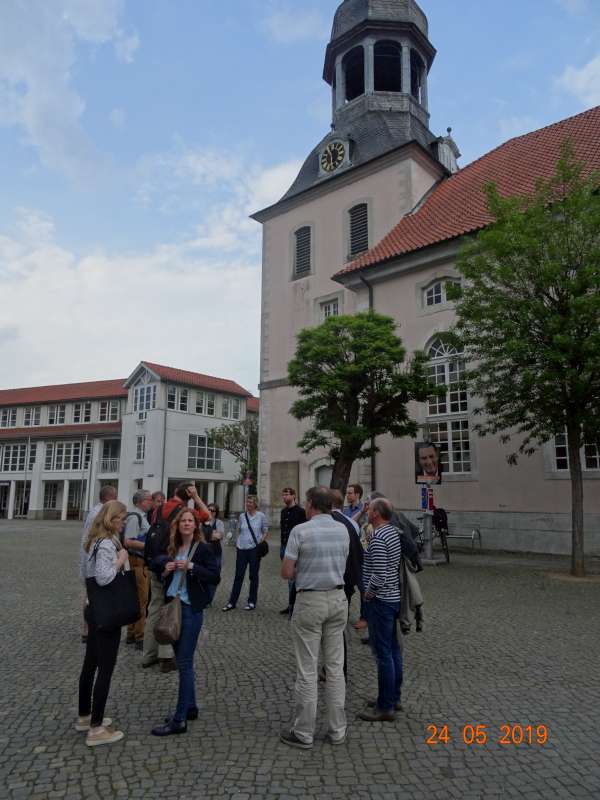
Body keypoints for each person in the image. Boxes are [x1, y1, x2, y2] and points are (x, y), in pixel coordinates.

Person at [280, 486, 349, 749]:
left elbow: (287, 572)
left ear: (310, 504)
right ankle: (337, 730)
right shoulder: (343, 529)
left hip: (310, 600)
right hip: (338, 599)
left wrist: (303, 571)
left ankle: (304, 732)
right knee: (334, 668)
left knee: (307, 669)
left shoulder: (301, 531)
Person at [151, 508, 220, 736]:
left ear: (196, 525)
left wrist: (191, 567)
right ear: (177, 525)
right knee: (183, 662)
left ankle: (179, 719)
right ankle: (190, 708)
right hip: (173, 608)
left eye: (191, 521)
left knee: (184, 664)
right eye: (184, 521)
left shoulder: (203, 549)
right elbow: (155, 560)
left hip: (190, 611)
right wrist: (166, 567)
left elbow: (214, 576)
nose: (187, 524)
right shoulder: (173, 548)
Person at [143, 483, 210, 672]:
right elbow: (207, 516)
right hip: (173, 564)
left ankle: (148, 654)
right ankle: (166, 656)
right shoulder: (185, 511)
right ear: (189, 495)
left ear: (173, 493)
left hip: (156, 563)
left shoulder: (159, 508)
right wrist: (196, 498)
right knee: (169, 609)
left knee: (154, 609)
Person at [77, 501, 129, 746]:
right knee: (105, 669)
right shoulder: (107, 544)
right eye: (122, 518)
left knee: (90, 665)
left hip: (93, 607)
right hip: (106, 612)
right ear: (112, 519)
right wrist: (121, 558)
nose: (124, 522)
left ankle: (85, 716)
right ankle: (96, 729)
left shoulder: (92, 541)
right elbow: (104, 577)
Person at [358, 498, 403, 723]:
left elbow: (379, 573)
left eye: (369, 508)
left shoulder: (378, 537)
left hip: (381, 601)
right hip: (393, 598)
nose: (367, 511)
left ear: (376, 513)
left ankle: (385, 706)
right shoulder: (394, 533)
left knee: (383, 653)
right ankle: (392, 697)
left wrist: (368, 593)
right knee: (393, 650)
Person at [330, 489, 364, 680]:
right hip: (348, 582)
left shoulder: (330, 523)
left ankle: (335, 669)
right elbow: (359, 555)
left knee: (333, 629)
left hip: (335, 582)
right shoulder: (351, 523)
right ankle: (337, 668)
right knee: (339, 626)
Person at [79, 485, 117, 643]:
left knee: (90, 594)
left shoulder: (94, 510)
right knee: (93, 595)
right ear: (109, 498)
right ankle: (89, 628)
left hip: (88, 557)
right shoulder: (102, 514)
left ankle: (88, 628)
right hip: (95, 559)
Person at [222, 495, 268, 612]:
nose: (248, 504)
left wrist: (260, 542)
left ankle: (251, 601)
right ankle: (232, 602)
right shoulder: (242, 516)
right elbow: (240, 530)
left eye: (251, 502)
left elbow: (265, 530)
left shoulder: (261, 516)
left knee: (253, 576)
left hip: (254, 549)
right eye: (247, 502)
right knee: (238, 576)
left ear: (255, 504)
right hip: (241, 548)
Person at [123, 490, 153, 649]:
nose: (152, 502)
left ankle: (132, 633)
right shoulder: (135, 518)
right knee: (141, 600)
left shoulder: (140, 517)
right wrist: (150, 546)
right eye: (149, 499)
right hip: (137, 561)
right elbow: (128, 541)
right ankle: (139, 637)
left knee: (137, 599)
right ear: (141, 501)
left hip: (140, 561)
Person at [279, 487, 306, 615]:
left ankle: (293, 605)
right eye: (283, 495)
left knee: (294, 578)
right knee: (289, 579)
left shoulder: (301, 512)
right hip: (284, 546)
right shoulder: (283, 511)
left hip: (295, 548)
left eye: (287, 495)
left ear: (294, 496)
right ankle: (291, 604)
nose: (284, 497)